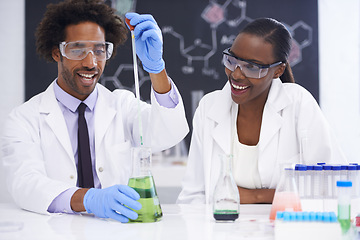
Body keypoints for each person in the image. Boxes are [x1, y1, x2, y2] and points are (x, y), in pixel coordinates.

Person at [1, 0, 189, 223]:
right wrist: (88, 198)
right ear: (56, 53)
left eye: (100, 50)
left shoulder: (122, 106)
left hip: (116, 230)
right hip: (54, 233)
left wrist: (156, 69)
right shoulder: (24, 120)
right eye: (78, 49)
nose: (91, 63)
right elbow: (25, 183)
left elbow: (169, 133)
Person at [177, 18, 347, 205]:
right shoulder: (209, 107)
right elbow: (193, 196)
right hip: (225, 228)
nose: (236, 74)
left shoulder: (299, 104)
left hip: (284, 229)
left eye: (252, 67)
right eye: (232, 60)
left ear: (278, 70)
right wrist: (274, 195)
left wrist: (253, 196)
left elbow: (333, 185)